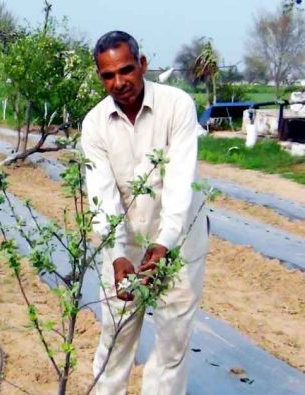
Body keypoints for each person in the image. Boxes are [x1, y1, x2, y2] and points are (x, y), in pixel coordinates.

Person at [81, 31, 209, 395]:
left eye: (125, 70)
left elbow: (180, 182)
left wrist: (165, 243)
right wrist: (118, 254)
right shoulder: (94, 125)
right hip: (126, 243)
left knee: (172, 342)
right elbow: (103, 196)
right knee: (115, 335)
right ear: (100, 76)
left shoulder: (177, 106)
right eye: (108, 75)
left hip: (180, 241)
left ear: (142, 65)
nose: (119, 83)